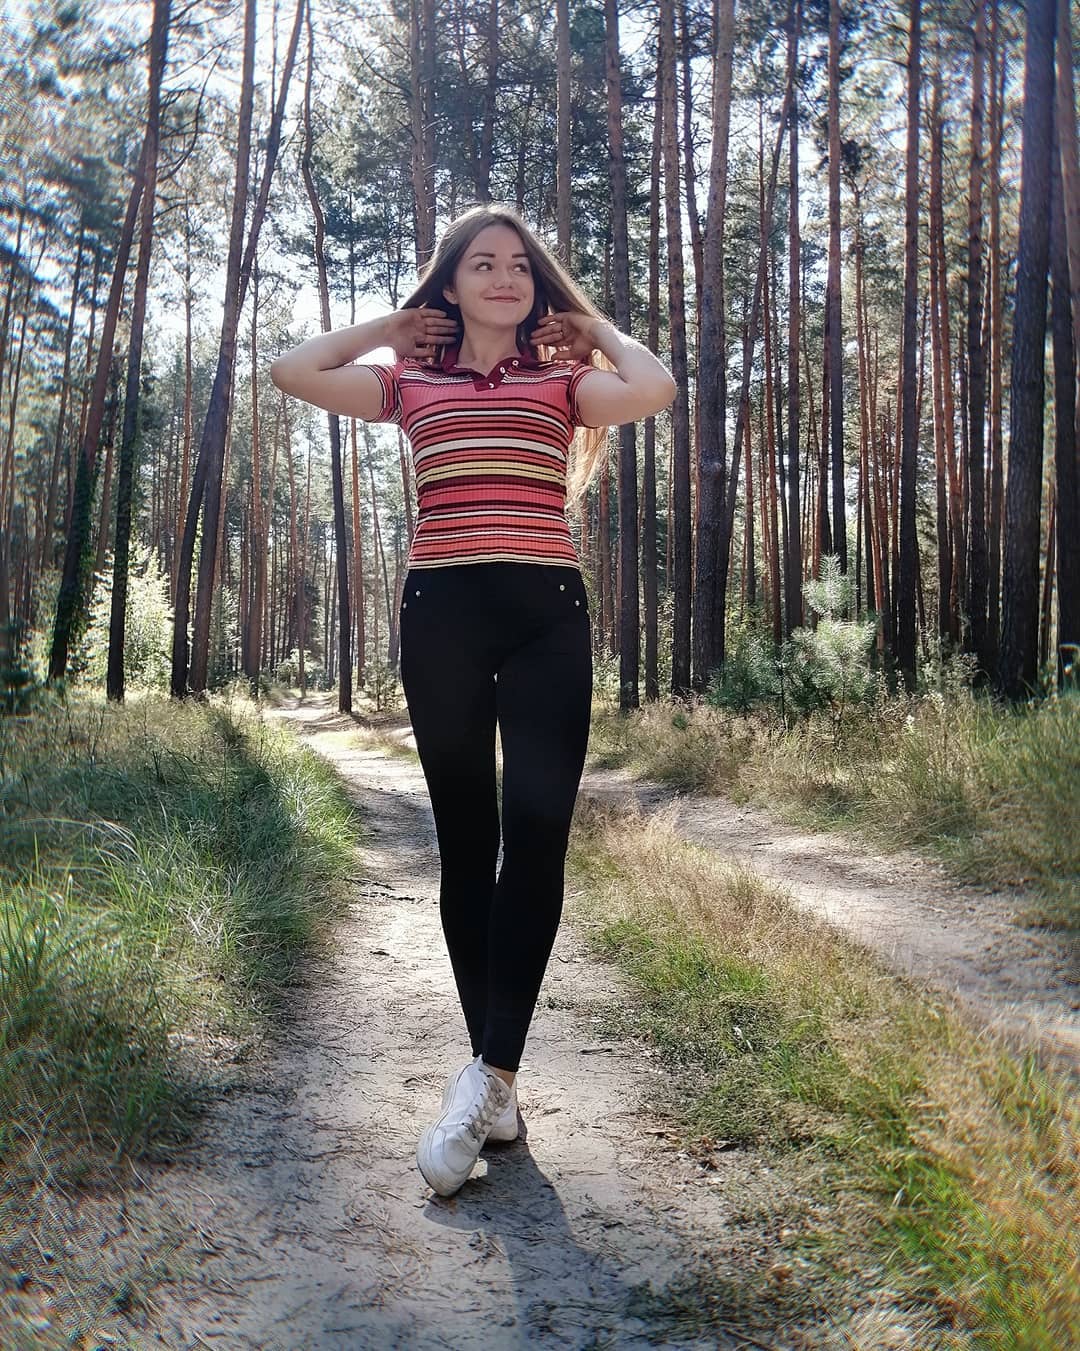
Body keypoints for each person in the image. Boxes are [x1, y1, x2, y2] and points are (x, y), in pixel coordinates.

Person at [270, 204, 675, 1197]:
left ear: (537, 288)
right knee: (465, 843)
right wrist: (389, 329)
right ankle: (494, 1075)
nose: (504, 277)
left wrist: (593, 329)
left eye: (520, 266)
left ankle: (492, 1074)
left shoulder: (565, 383)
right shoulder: (409, 382)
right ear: (449, 283)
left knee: (536, 837)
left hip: (546, 620)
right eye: (481, 263)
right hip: (441, 617)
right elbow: (291, 369)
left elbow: (655, 387)